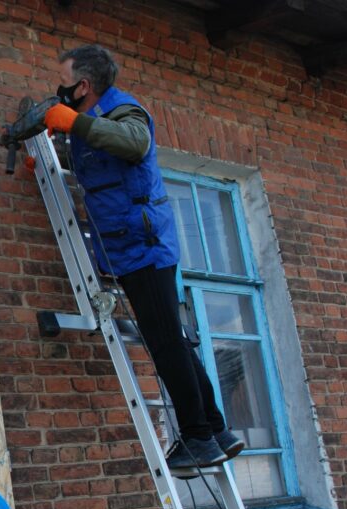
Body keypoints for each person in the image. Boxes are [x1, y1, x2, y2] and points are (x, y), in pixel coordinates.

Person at [42, 44, 245, 470]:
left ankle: (196, 437)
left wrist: (73, 123)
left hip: (144, 248)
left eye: (63, 81)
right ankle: (215, 428)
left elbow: (133, 144)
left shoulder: (124, 112)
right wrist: (53, 154)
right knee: (172, 339)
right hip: (131, 246)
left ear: (83, 86)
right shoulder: (97, 119)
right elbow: (99, 162)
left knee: (166, 342)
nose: (57, 89)